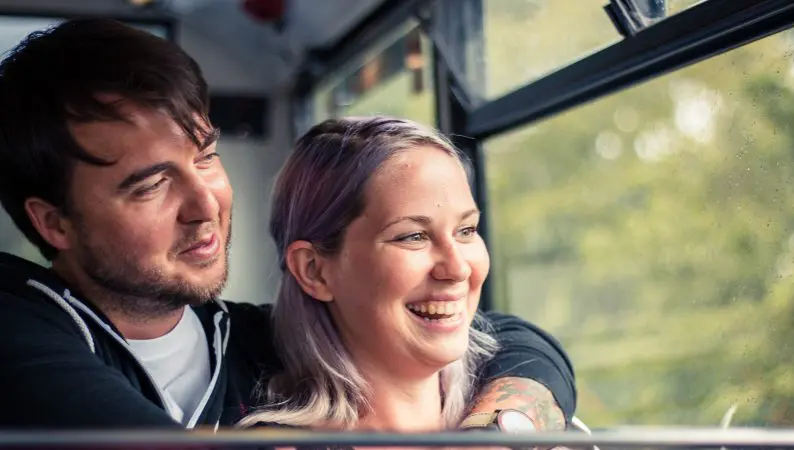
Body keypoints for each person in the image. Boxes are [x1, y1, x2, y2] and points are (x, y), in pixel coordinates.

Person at [0, 18, 576, 433]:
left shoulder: (252, 340)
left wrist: (506, 423)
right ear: (54, 223)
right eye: (151, 185)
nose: (206, 204)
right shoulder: (22, 327)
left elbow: (508, 338)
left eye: (205, 158)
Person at [238, 116, 512, 434]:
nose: (458, 268)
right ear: (314, 271)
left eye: (466, 230)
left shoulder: (536, 424)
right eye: (413, 236)